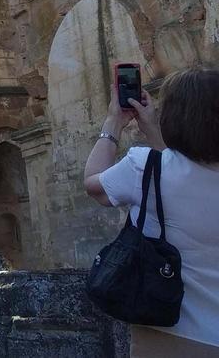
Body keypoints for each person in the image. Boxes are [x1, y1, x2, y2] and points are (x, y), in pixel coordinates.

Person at [84, 68, 219, 356]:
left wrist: (113, 123)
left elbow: (94, 185)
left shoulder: (144, 167)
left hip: (173, 335)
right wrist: (153, 132)